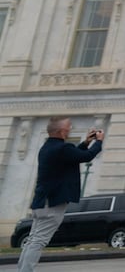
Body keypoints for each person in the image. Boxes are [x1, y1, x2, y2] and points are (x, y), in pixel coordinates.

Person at [17, 117, 103, 272]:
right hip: (53, 202)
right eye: (69, 126)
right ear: (62, 131)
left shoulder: (47, 147)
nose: (70, 128)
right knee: (38, 241)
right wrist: (99, 141)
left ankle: (22, 270)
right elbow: (86, 156)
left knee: (33, 240)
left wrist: (85, 143)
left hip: (41, 201)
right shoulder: (63, 148)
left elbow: (73, 156)